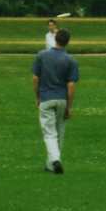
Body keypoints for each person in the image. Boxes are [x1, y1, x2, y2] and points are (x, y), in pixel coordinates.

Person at [32, 27, 79, 174]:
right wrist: (69, 107)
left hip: (46, 98)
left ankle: (55, 160)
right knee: (59, 132)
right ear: (68, 42)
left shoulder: (42, 55)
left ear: (55, 38)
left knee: (49, 133)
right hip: (62, 99)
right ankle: (51, 165)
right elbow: (71, 85)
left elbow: (35, 78)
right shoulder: (71, 60)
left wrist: (38, 97)